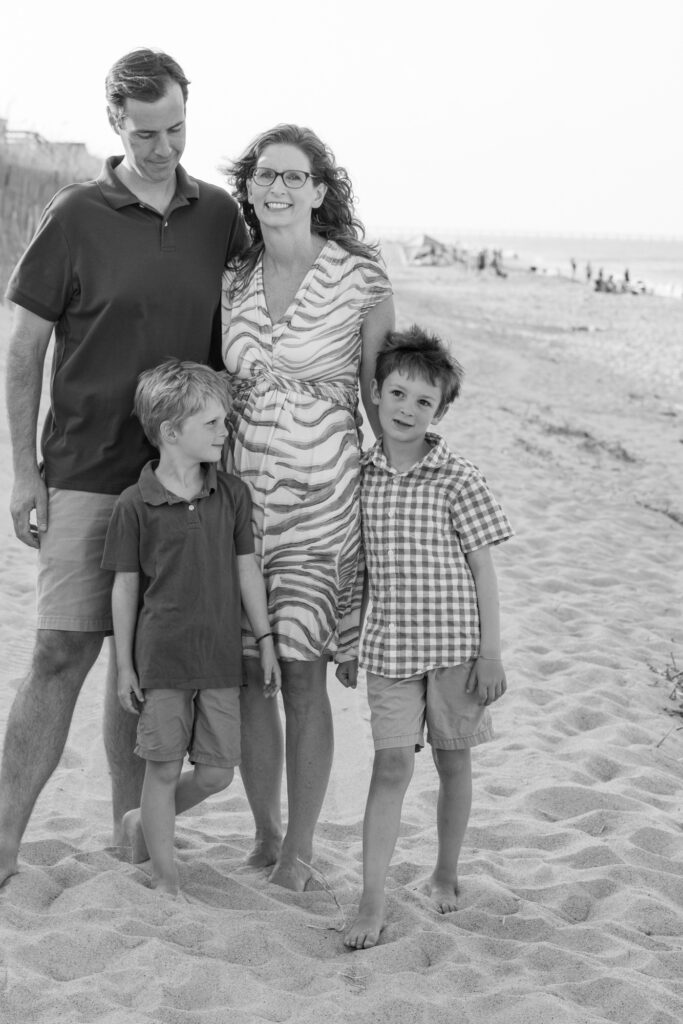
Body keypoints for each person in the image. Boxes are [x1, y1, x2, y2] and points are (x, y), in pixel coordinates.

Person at [0, 47, 248, 887]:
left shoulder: (219, 215)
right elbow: (25, 346)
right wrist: (24, 471)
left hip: (185, 485)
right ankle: (2, 840)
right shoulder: (74, 215)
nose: (163, 146)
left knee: (140, 671)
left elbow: (263, 311)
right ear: (116, 123)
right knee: (62, 655)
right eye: (146, 132)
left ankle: (127, 832)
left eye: (176, 127)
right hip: (84, 473)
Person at [221, 124, 395, 891]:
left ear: (321, 191)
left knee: (299, 672)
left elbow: (376, 392)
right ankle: (263, 833)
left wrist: (403, 493)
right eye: (266, 175)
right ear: (250, 187)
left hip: (324, 502)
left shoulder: (361, 277)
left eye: (294, 177)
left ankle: (300, 846)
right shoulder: (232, 276)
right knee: (250, 671)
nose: (278, 188)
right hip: (241, 501)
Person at [338, 326, 513, 949]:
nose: (407, 410)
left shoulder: (458, 478)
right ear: (376, 393)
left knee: (452, 761)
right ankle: (371, 898)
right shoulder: (361, 477)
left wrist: (491, 653)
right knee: (390, 766)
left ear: (440, 411)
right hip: (389, 650)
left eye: (423, 402)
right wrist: (349, 641)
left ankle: (445, 870)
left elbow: (483, 569)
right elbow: (355, 566)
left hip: (457, 652)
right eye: (397, 393)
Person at [101, 361, 280, 895]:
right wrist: (125, 667)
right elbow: (124, 588)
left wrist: (265, 640)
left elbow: (247, 569)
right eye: (213, 424)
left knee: (217, 773)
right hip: (161, 663)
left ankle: (141, 821)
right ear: (171, 431)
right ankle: (166, 877)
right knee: (159, 770)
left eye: (224, 421)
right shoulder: (134, 504)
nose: (226, 432)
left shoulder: (232, 495)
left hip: (221, 659)